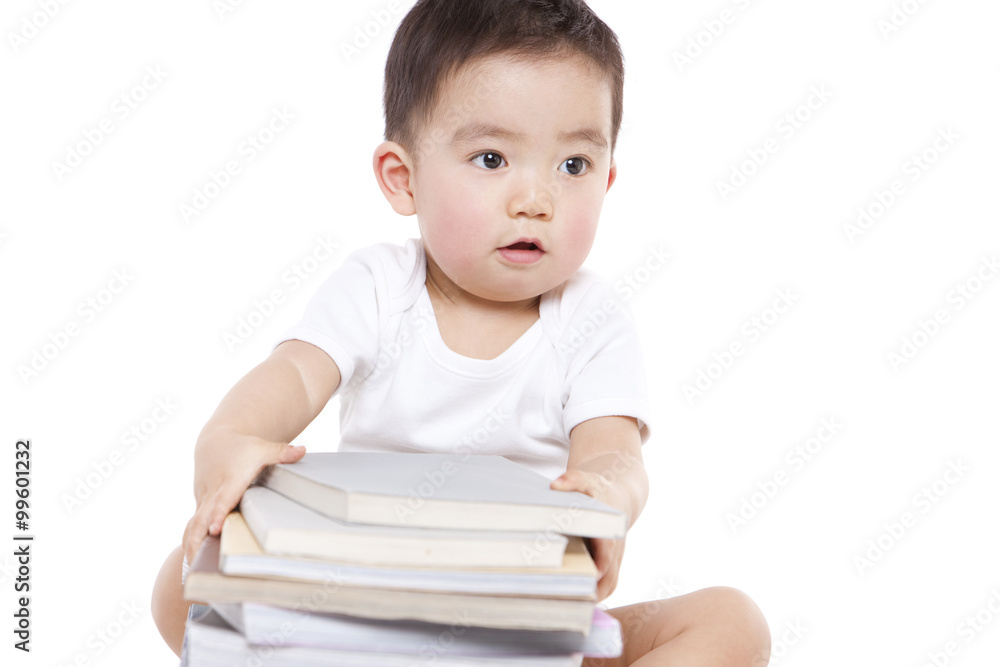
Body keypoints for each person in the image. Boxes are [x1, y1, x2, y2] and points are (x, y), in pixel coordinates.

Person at [152, 1, 771, 664]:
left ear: (609, 178)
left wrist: (608, 494)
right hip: (358, 601)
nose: (535, 198)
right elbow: (297, 373)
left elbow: (615, 450)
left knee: (731, 620)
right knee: (179, 580)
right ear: (403, 178)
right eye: (491, 157)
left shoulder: (590, 318)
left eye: (573, 166)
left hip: (520, 614)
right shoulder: (380, 287)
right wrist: (230, 440)